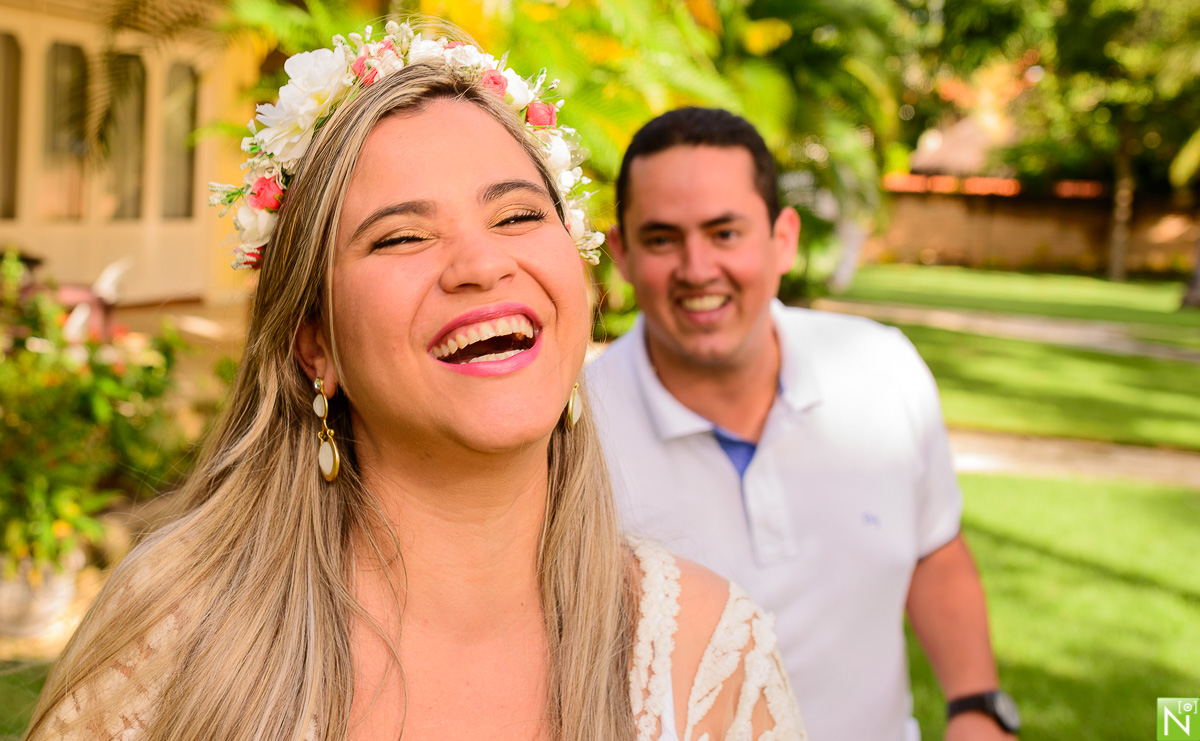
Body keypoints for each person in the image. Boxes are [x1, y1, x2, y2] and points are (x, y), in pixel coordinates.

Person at [23, 28, 805, 741]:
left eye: (517, 216)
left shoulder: (706, 657)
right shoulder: (178, 633)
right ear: (315, 345)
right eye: (402, 235)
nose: (481, 265)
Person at [586, 107, 1019, 741]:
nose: (698, 268)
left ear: (782, 239)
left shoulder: (884, 367)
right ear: (620, 253)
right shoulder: (573, 432)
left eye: (725, 232)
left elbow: (934, 549)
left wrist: (978, 707)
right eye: (662, 239)